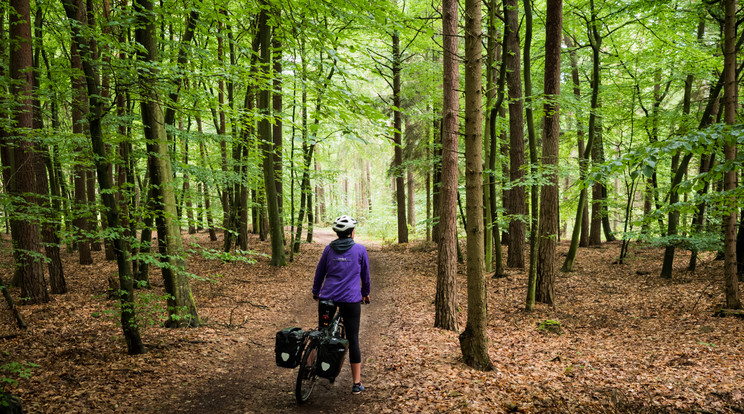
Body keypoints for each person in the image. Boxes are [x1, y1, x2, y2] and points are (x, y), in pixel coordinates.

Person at [312, 215, 371, 395]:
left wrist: (316, 292)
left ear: (337, 233)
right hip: (351, 300)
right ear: (352, 232)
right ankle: (356, 383)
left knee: (322, 332)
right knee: (353, 339)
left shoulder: (329, 250)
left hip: (327, 298)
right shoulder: (360, 250)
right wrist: (365, 293)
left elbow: (320, 272)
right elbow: (365, 277)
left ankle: (309, 367)